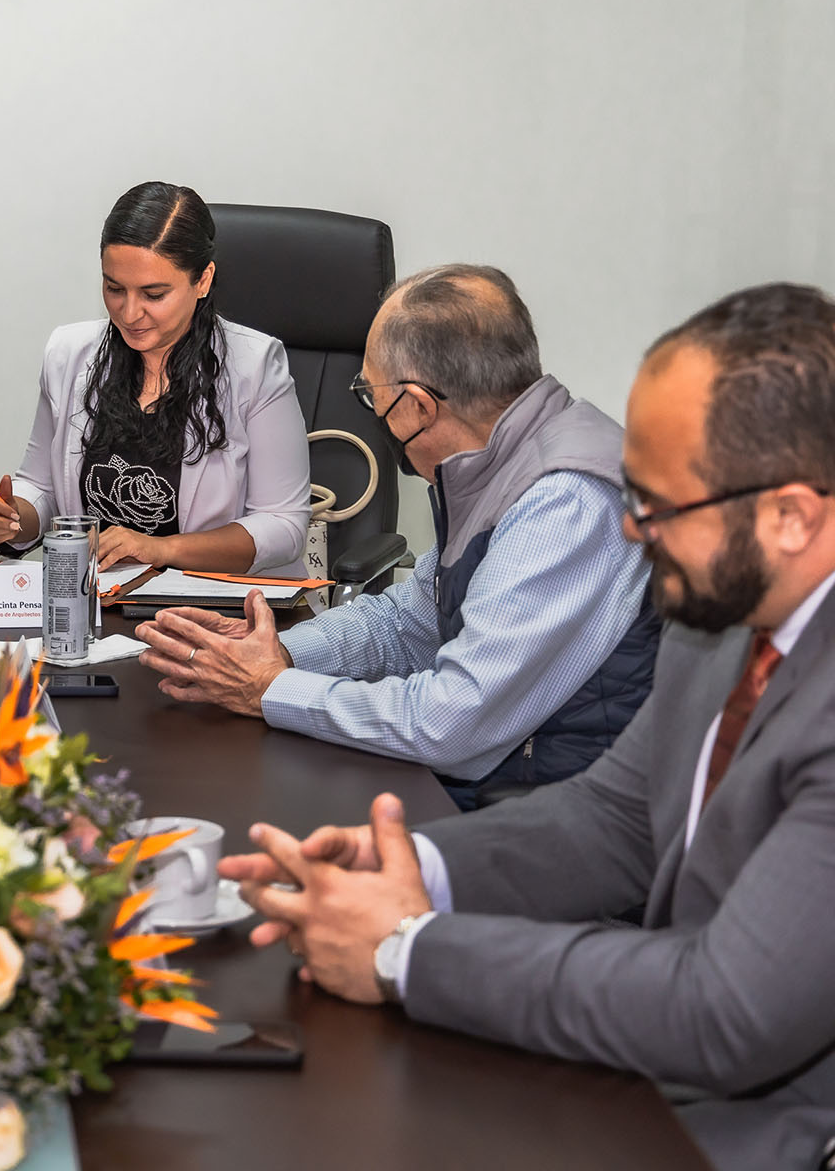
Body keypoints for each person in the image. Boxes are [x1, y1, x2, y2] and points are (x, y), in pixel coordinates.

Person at [225, 282, 835, 1171]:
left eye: (661, 508)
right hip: (665, 1046)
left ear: (791, 516)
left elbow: (722, 1015)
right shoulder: (724, 619)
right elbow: (617, 818)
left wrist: (407, 952)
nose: (630, 527)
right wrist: (414, 869)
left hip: (770, 1124)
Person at [137, 265, 657, 808]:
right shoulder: (502, 462)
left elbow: (448, 725)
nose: (373, 412)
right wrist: (269, 653)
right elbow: (407, 624)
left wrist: (270, 689)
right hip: (511, 787)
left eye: (370, 394)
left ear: (416, 406)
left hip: (562, 817)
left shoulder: (562, 501)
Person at [0, 182, 310, 573]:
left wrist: (160, 549)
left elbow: (284, 526)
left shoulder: (256, 367)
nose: (129, 313)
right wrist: (14, 518)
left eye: (153, 294)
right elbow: (43, 489)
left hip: (215, 607)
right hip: (99, 602)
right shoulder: (67, 354)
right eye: (115, 288)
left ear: (202, 280)